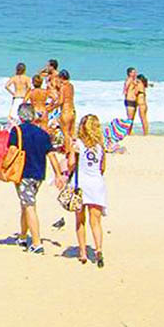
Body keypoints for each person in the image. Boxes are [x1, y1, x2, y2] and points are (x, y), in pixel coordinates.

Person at [8, 102, 63, 255]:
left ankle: (37, 243)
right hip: (39, 174)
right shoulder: (43, 134)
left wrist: (3, 169)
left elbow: (11, 151)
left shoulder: (16, 131)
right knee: (25, 203)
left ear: (20, 116)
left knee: (29, 205)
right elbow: (52, 155)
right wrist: (58, 174)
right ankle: (23, 236)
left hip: (23, 173)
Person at [69, 114, 108, 267]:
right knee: (96, 221)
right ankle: (98, 249)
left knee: (80, 220)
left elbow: (71, 163)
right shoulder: (100, 147)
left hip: (81, 184)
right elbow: (102, 168)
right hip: (96, 183)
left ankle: (83, 253)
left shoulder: (77, 144)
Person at [57, 69, 77, 149]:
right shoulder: (71, 86)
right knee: (72, 134)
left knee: (65, 133)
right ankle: (73, 152)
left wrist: (50, 108)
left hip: (65, 111)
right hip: (73, 111)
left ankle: (68, 152)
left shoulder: (63, 87)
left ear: (61, 77)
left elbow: (61, 101)